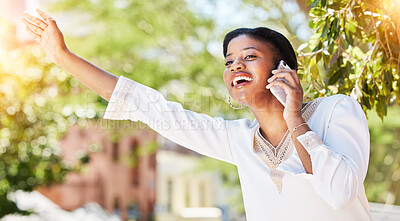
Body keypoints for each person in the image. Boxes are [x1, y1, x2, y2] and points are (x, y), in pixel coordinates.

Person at [21, 9, 372, 221]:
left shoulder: (335, 111)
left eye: (249, 56)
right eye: (229, 62)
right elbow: (151, 108)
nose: (235, 65)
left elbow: (340, 192)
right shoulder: (238, 140)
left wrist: (296, 118)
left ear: (282, 69)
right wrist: (63, 57)